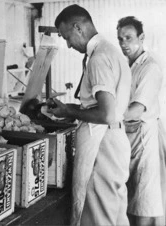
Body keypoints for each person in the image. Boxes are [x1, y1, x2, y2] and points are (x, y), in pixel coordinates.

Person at [49, 4, 132, 226]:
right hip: (115, 140)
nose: (67, 44)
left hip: (103, 144)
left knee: (96, 216)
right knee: (113, 214)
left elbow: (106, 113)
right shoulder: (108, 50)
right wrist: (74, 109)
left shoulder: (99, 58)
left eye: (67, 37)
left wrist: (69, 110)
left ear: (78, 27)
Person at [117, 16, 164, 226]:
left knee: (145, 197)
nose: (124, 44)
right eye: (120, 39)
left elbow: (136, 110)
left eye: (128, 38)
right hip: (130, 136)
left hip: (145, 137)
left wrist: (105, 117)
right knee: (133, 194)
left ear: (141, 37)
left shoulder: (149, 67)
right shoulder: (129, 65)